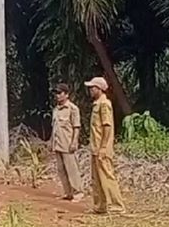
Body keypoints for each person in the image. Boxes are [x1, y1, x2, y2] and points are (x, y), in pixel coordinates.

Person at [85, 76, 126, 214]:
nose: (90, 90)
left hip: (102, 148)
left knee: (107, 176)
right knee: (96, 178)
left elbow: (107, 127)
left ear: (99, 89)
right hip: (95, 147)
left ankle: (116, 206)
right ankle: (100, 206)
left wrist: (103, 147)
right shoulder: (97, 104)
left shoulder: (104, 104)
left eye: (92, 87)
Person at [50, 83, 83, 202]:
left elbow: (76, 127)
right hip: (58, 143)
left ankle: (78, 192)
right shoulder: (56, 110)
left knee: (72, 168)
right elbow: (54, 128)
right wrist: (51, 142)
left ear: (67, 94)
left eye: (60, 93)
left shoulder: (72, 109)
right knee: (61, 170)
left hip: (68, 143)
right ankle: (68, 192)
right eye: (56, 93)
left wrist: (74, 142)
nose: (57, 96)